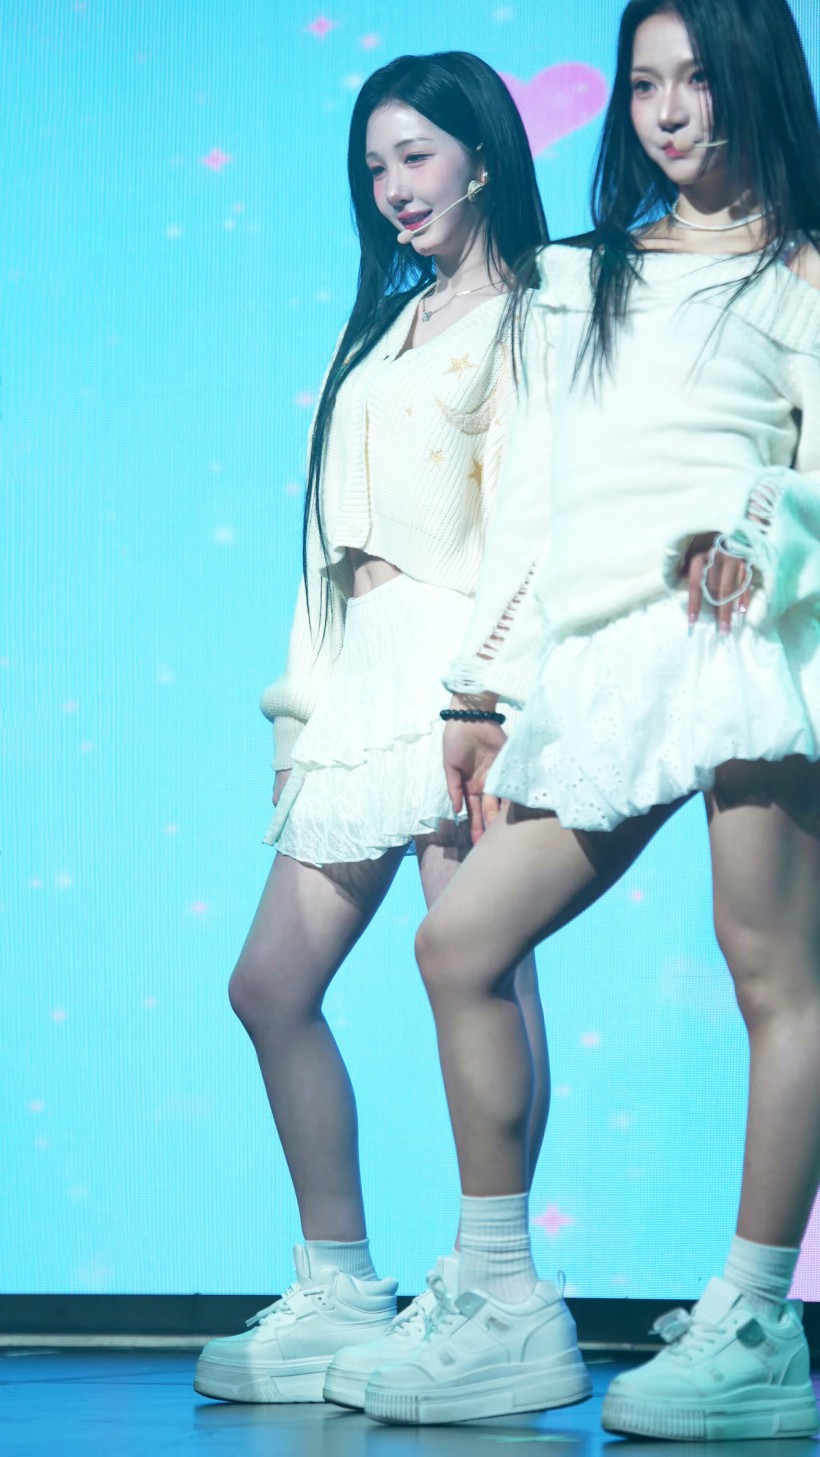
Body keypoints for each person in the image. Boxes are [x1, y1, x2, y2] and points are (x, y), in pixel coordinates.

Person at [357, 0, 820, 1439]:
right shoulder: (581, 277)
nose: (671, 112)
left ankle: (754, 1320)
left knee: (774, 972)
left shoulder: (802, 276)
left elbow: (809, 471)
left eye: (700, 81)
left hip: (741, 636)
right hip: (608, 664)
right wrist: (481, 686)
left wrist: (750, 561)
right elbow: (538, 502)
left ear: (758, 84)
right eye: (644, 85)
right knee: (459, 943)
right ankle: (503, 1296)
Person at [194, 51, 553, 1406]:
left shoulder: (536, 316)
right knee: (268, 986)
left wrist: (485, 692)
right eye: (375, 167)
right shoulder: (384, 324)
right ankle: (340, 1282)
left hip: (466, 676)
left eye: (416, 156)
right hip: (361, 677)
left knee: (479, 969)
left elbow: (532, 527)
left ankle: (499, 1282)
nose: (395, 187)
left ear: (482, 155)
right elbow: (323, 555)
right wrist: (300, 715)